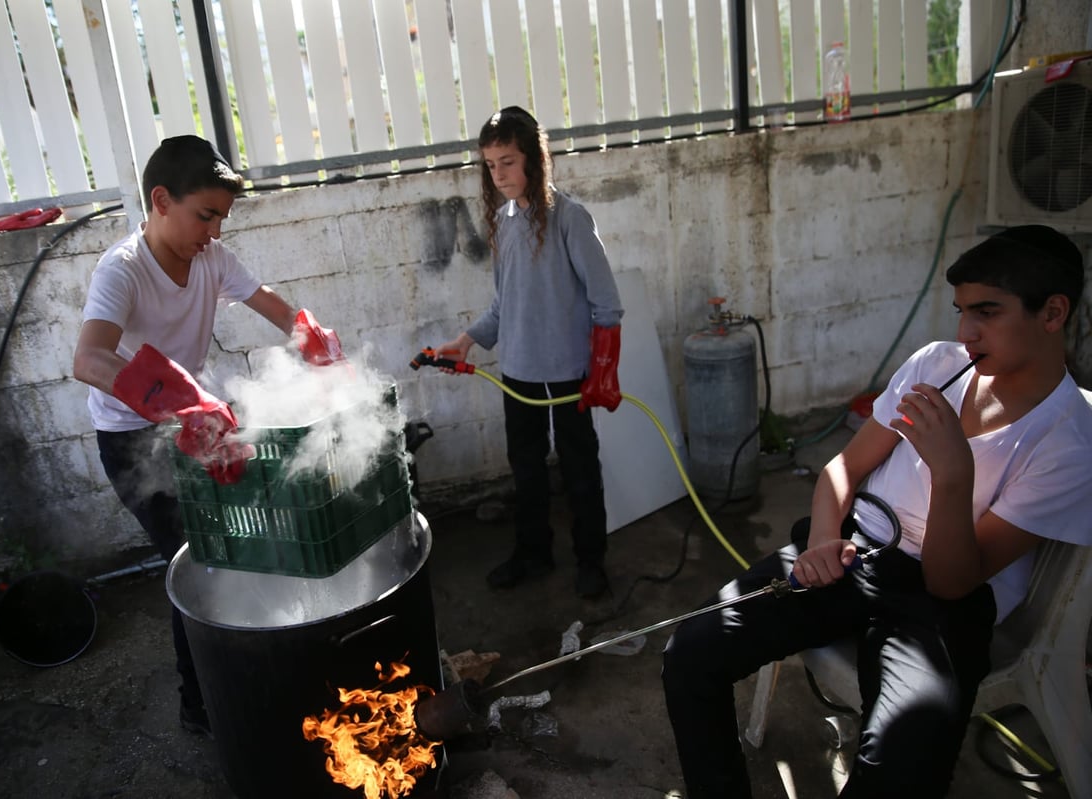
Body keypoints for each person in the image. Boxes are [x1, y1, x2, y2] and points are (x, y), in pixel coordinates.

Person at [662, 224, 1092, 797]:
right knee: (690, 653)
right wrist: (820, 541)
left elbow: (950, 581)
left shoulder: (1068, 441)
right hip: (851, 553)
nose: (967, 333)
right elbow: (843, 470)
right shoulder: (936, 366)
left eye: (987, 313)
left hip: (939, 604)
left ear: (1053, 312)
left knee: (899, 767)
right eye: (961, 312)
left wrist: (953, 473)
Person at [72, 135, 342, 735]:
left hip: (191, 427)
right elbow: (89, 360)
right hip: (131, 437)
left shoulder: (212, 259)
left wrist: (310, 333)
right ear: (161, 200)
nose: (215, 232)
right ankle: (202, 702)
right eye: (205, 214)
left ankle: (249, 664)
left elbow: (269, 303)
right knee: (196, 563)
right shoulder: (122, 270)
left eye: (222, 217)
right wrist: (176, 404)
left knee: (232, 547)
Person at [437, 106, 625, 599]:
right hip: (517, 372)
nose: (499, 175)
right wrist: (468, 340)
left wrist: (602, 371)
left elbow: (607, 305)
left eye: (509, 162)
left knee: (580, 469)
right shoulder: (502, 222)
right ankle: (534, 554)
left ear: (535, 160)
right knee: (526, 470)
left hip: (568, 374)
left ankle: (591, 561)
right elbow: (505, 303)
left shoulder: (571, 219)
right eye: (491, 165)